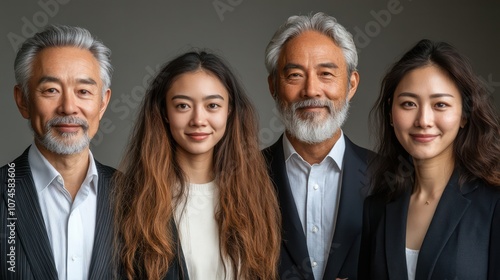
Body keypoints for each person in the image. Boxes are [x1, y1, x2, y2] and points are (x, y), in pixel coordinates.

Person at [113, 50, 281, 280]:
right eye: (183, 106)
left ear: (229, 111)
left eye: (212, 105)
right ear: (164, 112)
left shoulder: (256, 195)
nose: (198, 120)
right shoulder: (134, 199)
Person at [358, 39, 500, 279]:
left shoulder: (494, 203)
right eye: (408, 104)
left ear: (464, 115)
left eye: (440, 104)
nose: (423, 120)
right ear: (391, 113)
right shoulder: (376, 209)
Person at [262, 12, 374, 280]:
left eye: (326, 74)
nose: (311, 90)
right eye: (295, 75)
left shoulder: (387, 177)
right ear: (273, 86)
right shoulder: (244, 176)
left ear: (351, 85)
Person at [0, 24, 114, 279]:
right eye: (51, 90)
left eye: (83, 91)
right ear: (23, 100)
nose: (68, 107)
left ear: (103, 102)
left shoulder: (138, 198)